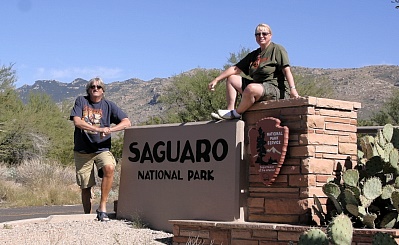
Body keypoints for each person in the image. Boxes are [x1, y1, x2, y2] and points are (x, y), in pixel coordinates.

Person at [70, 77, 131, 221]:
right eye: (92, 86)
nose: (95, 88)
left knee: (109, 167)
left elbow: (127, 122)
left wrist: (110, 129)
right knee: (85, 186)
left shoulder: (109, 105)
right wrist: (97, 129)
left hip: (101, 148)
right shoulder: (81, 101)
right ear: (88, 89)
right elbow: (77, 122)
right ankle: (87, 215)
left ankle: (102, 206)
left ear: (103, 90)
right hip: (82, 150)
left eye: (98, 87)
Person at [209, 23, 299, 120]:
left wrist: (293, 89)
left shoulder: (277, 49)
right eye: (258, 34)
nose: (261, 36)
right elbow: (235, 69)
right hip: (258, 86)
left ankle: (236, 113)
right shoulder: (254, 54)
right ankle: (229, 111)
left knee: (251, 88)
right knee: (232, 78)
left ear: (270, 35)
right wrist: (217, 79)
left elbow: (286, 70)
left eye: (264, 33)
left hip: (275, 89)